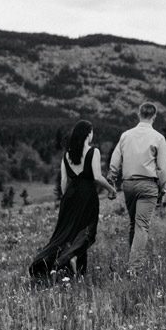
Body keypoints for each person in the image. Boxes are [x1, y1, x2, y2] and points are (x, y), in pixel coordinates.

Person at [29, 120, 116, 280]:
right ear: (88, 133)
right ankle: (69, 260)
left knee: (66, 234)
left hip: (70, 196)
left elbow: (64, 181)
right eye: (92, 132)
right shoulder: (93, 152)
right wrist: (111, 189)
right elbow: (97, 177)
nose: (92, 135)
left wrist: (67, 199)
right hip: (87, 195)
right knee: (86, 232)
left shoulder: (67, 154)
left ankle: (71, 269)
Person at [108, 102, 166, 267]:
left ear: (139, 114)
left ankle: (132, 260)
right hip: (148, 185)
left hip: (128, 185)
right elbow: (163, 168)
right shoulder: (158, 138)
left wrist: (112, 179)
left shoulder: (126, 135)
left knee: (133, 224)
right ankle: (134, 267)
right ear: (154, 116)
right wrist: (163, 189)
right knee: (142, 226)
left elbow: (115, 160)